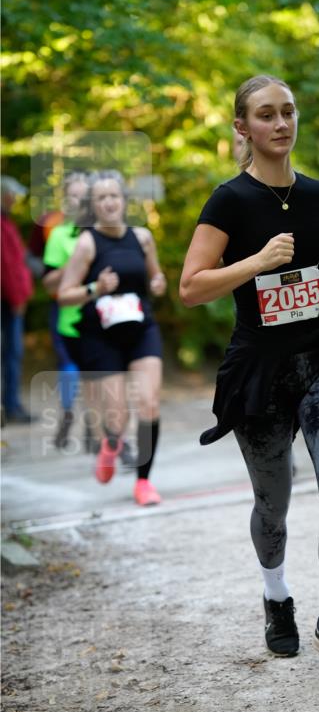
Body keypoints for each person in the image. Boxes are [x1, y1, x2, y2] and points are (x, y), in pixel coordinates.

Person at [180, 74, 319, 677]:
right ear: (243, 127)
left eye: (288, 111)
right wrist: (255, 262)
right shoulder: (229, 201)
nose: (281, 123)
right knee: (274, 501)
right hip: (259, 370)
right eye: (266, 115)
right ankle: (277, 599)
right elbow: (190, 287)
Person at [58, 170, 166, 506]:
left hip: (140, 329)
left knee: (148, 402)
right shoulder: (87, 242)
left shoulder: (143, 237)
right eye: (100, 198)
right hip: (101, 337)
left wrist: (159, 282)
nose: (108, 203)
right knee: (117, 415)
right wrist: (95, 288)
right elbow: (64, 294)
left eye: (113, 196)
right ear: (93, 205)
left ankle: (144, 482)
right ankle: (111, 442)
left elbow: (155, 275)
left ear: (124, 201)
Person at [40, 172, 90, 448]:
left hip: (98, 315)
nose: (79, 201)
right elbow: (48, 282)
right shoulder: (58, 234)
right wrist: (74, 262)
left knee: (100, 370)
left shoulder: (103, 231)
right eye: (73, 195)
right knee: (70, 367)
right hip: (66, 313)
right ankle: (68, 415)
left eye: (84, 196)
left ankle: (97, 426)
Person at [1, 176, 34, 423]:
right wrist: (17, 298)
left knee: (13, 354)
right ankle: (10, 407)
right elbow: (7, 268)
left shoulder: (6, 222)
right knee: (11, 353)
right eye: (12, 195)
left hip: (11, 301)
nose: (15, 200)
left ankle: (11, 404)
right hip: (8, 303)